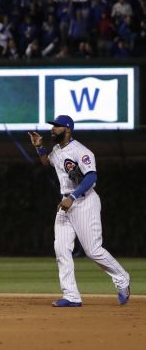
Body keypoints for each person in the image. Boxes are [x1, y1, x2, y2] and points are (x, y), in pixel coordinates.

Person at [28, 115, 130, 307]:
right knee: (61, 249)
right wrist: (39, 147)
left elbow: (91, 177)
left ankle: (122, 278)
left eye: (56, 126)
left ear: (67, 129)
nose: (52, 129)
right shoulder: (57, 150)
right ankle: (71, 295)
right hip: (66, 203)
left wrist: (72, 197)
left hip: (84, 202)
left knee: (93, 251)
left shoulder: (81, 151)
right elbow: (47, 163)